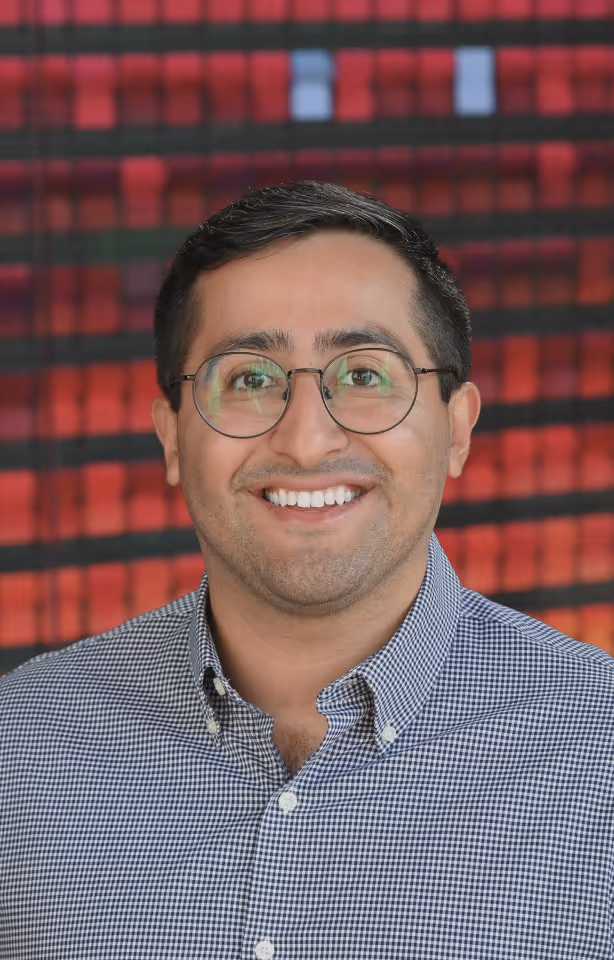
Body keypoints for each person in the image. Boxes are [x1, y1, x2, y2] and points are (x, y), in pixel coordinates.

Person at [1, 181, 613, 959]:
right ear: (171, 439)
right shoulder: (17, 746)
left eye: (363, 375)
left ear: (457, 432)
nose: (306, 439)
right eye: (249, 379)